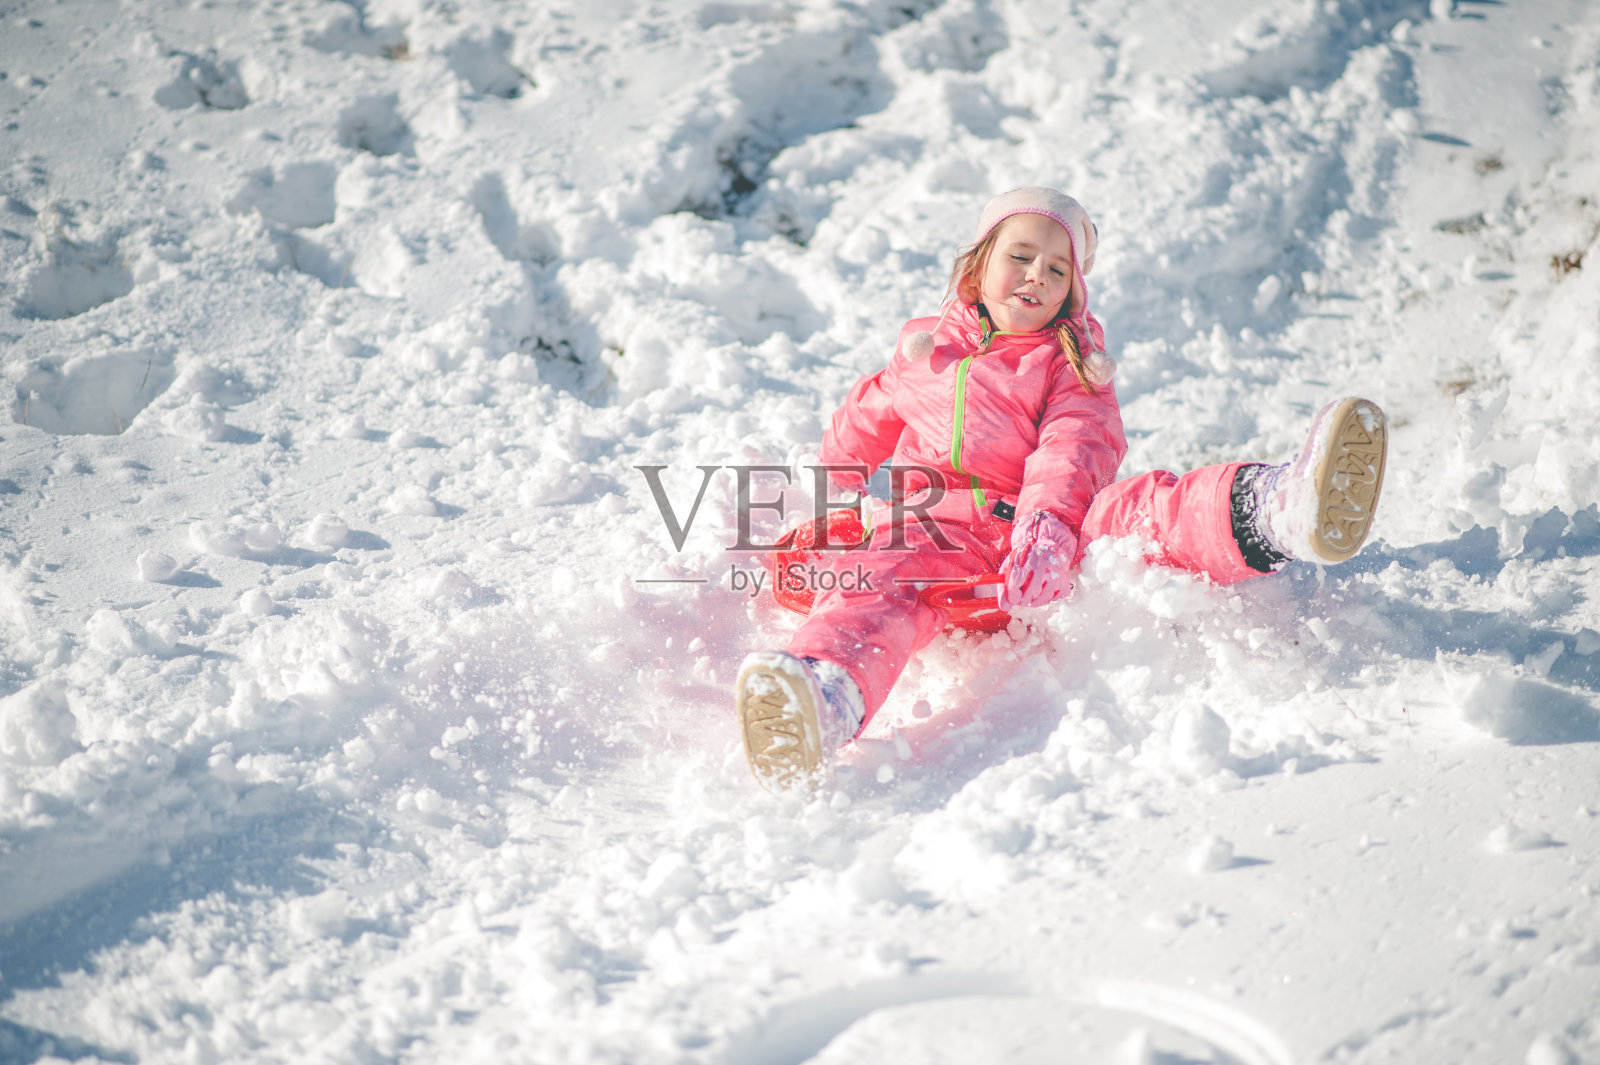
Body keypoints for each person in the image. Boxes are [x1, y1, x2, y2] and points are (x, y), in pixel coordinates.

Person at [735, 187, 1387, 791]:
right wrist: (832, 485)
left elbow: (1074, 449)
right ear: (977, 267)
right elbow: (866, 417)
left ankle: (1276, 510)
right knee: (882, 577)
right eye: (1021, 257)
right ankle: (823, 697)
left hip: (1038, 539)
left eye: (1056, 271)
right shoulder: (925, 353)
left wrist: (1045, 529)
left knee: (1133, 510)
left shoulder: (1070, 364)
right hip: (935, 537)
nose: (1036, 277)